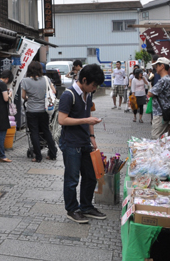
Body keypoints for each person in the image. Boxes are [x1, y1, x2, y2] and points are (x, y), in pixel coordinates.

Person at [58, 64, 106, 224]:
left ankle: (86, 206)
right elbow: (62, 120)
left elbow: (89, 114)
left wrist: (92, 136)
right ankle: (72, 209)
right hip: (71, 143)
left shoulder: (88, 94)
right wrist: (86, 121)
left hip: (85, 141)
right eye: (93, 85)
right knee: (72, 179)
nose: (94, 88)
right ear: (84, 80)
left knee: (90, 176)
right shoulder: (68, 95)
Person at [21, 61, 58, 163]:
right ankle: (53, 153)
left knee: (34, 133)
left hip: (31, 111)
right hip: (44, 110)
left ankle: (38, 156)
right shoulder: (46, 79)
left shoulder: (25, 81)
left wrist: (30, 97)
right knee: (46, 131)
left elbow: (23, 96)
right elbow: (53, 91)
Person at [147, 57, 170, 139]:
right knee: (164, 137)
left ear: (162, 66)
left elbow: (150, 93)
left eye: (157, 66)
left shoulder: (163, 80)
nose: (155, 68)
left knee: (156, 136)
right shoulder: (168, 79)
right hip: (165, 111)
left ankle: (158, 151)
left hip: (160, 113)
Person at [0, 69, 13, 163]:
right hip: (2, 112)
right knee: (1, 134)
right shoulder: (2, 84)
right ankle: (1, 155)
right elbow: (5, 98)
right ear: (7, 79)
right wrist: (10, 94)